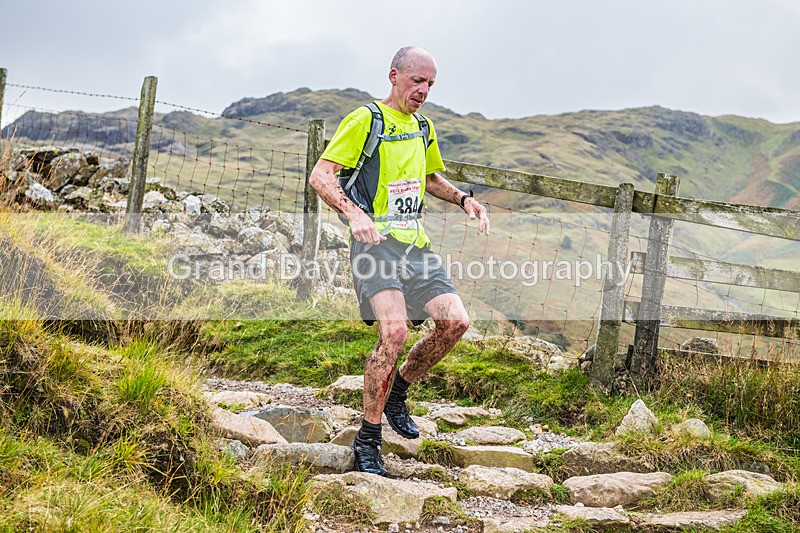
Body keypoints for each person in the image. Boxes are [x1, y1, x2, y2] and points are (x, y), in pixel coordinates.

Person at [308, 46, 490, 476]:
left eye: (430, 84)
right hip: (376, 247)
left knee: (456, 323)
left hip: (415, 245)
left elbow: (428, 178)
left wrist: (464, 199)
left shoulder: (423, 126)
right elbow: (320, 175)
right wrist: (354, 214)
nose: (424, 91)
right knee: (394, 332)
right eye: (417, 82)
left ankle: (398, 390)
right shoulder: (365, 120)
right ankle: (368, 441)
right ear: (394, 76)